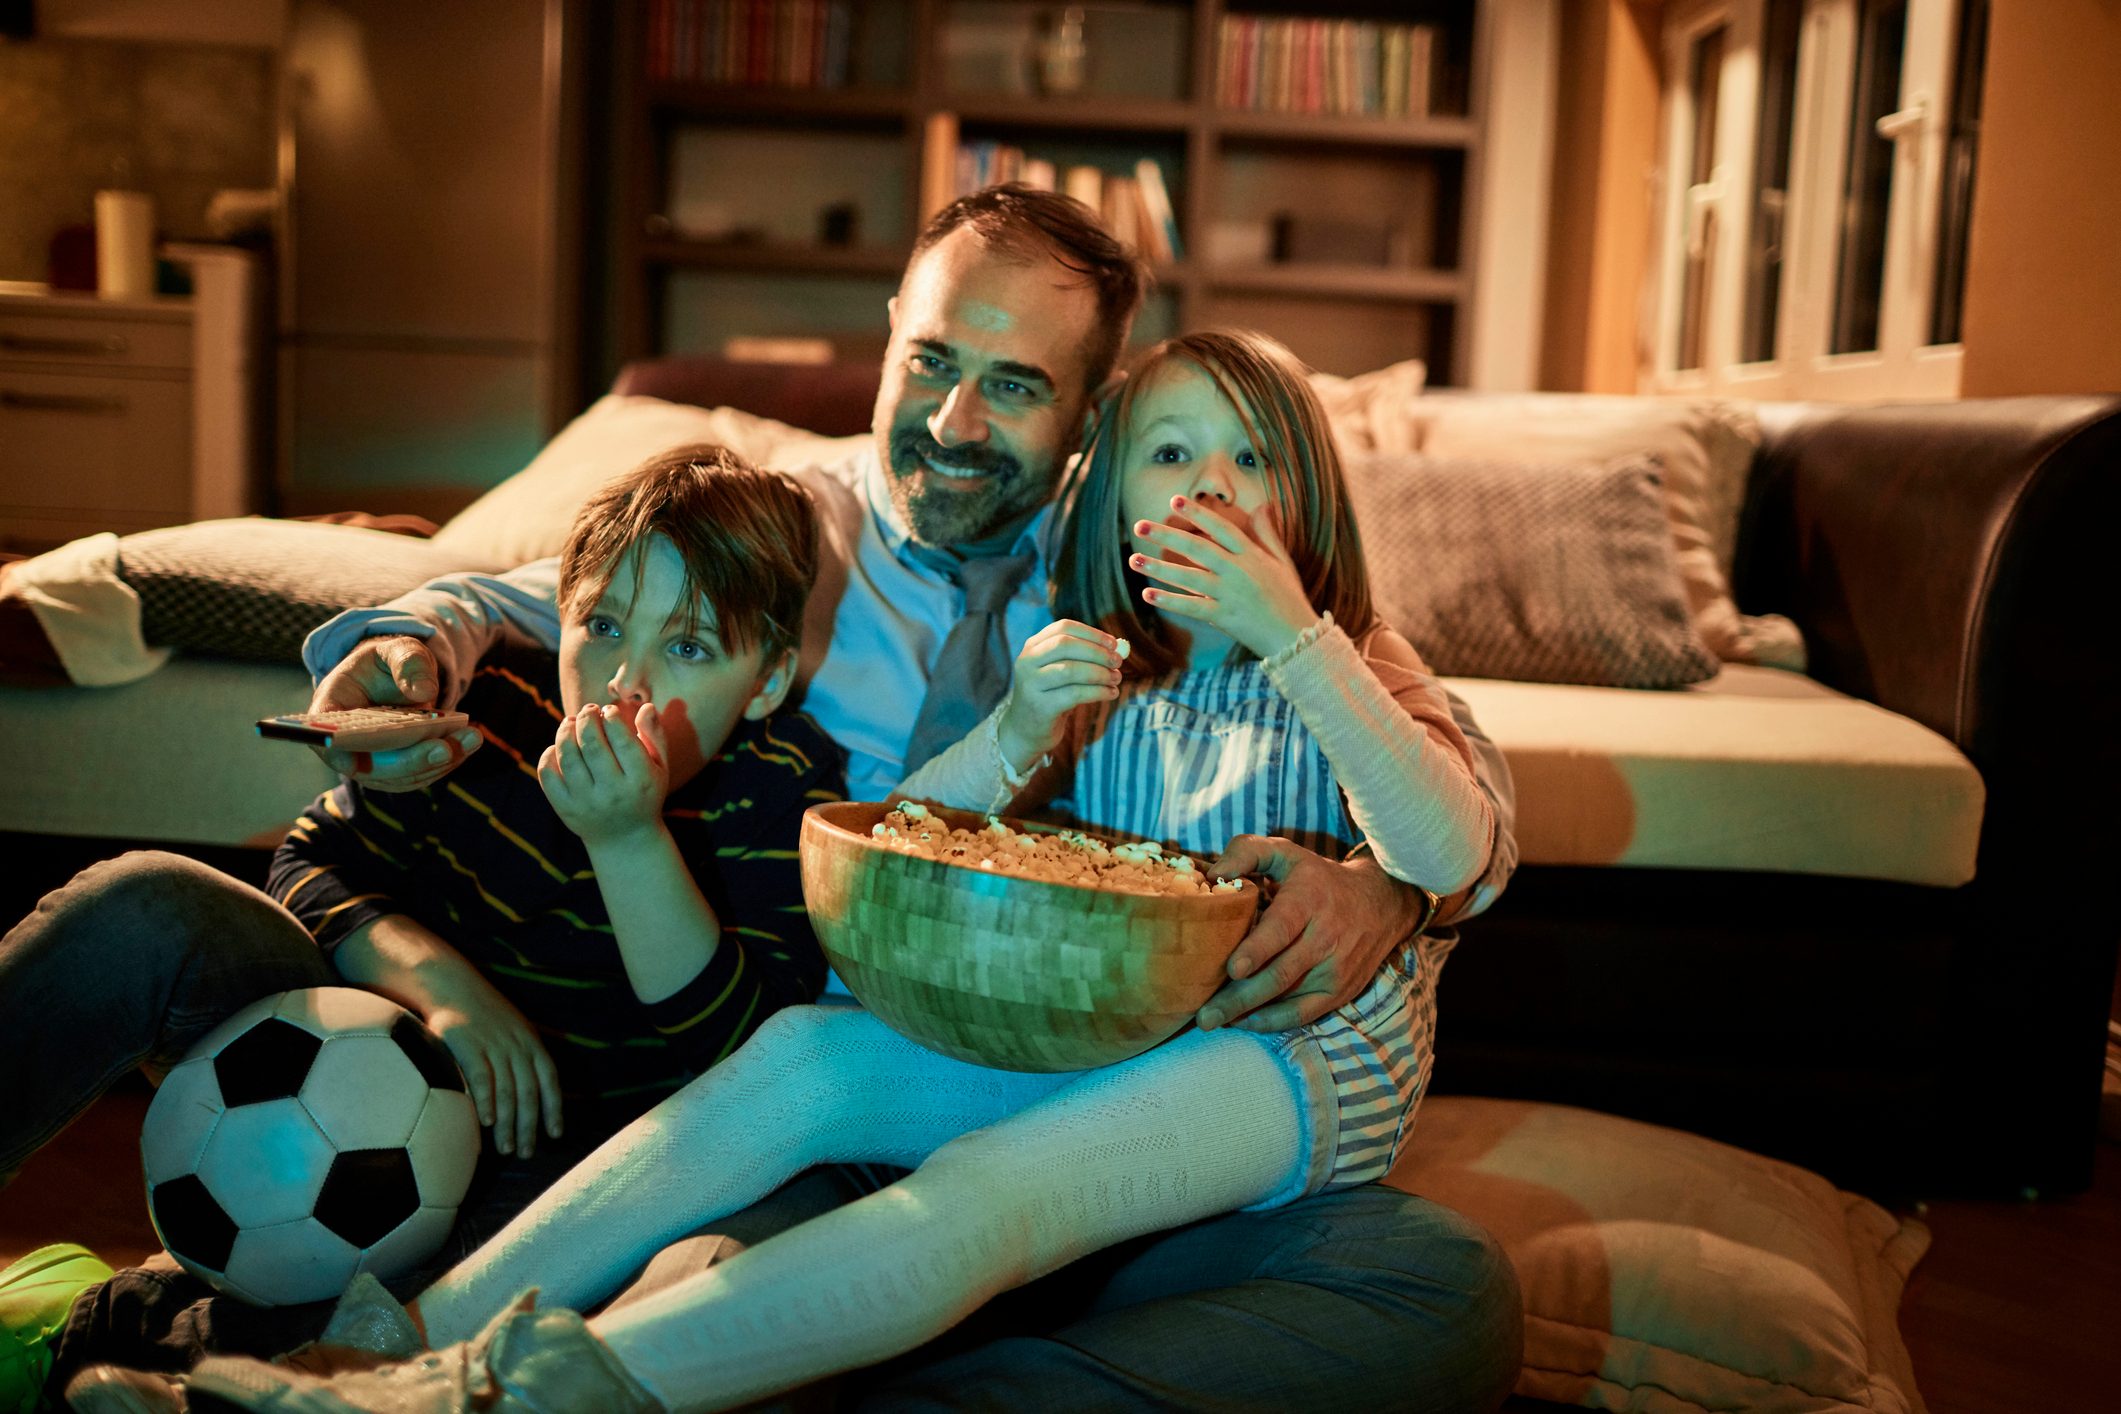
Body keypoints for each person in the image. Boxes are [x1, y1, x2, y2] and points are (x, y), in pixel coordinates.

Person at [92, 186, 1526, 1411]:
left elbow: (1457, 808)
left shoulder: (1241, 618)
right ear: (887, 344)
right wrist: (417, 639)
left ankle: (530, 1385)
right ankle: (383, 1352)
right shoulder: (812, 536)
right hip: (828, 1019)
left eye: (1015, 384)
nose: (956, 419)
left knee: (1411, 1290)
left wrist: (1391, 884)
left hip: (1185, 1058)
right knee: (798, 1065)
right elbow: (565, 593)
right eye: (931, 361)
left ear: (1078, 432)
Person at [1, 446, 845, 1407]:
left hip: (557, 1160)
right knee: (147, 897)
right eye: (602, 626)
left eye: (689, 648)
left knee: (529, 1277)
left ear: (769, 681)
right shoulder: (486, 717)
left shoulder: (785, 797)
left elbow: (740, 1064)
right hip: (358, 1049)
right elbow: (308, 865)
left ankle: (160, 1347)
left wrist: (626, 838)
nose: (624, 683)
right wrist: (445, 988)